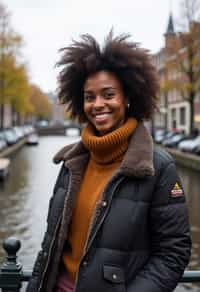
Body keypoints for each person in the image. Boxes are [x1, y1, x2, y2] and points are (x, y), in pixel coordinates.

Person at [26, 32, 191, 292]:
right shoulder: (71, 164)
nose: (97, 104)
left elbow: (173, 254)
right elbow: (51, 245)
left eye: (108, 94)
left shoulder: (158, 167)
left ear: (127, 98)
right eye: (90, 97)